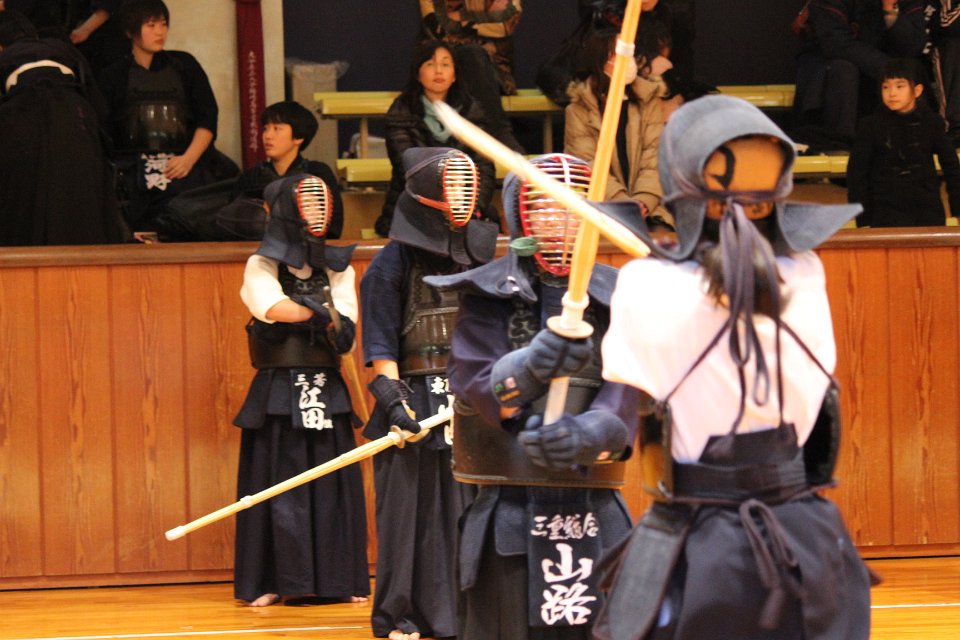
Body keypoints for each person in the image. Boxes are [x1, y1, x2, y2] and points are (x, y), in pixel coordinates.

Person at [594, 95, 873, 639]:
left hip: (700, 545)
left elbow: (632, 371)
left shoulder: (645, 285)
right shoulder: (807, 273)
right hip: (809, 538)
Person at [424, 153, 641, 640]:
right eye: (545, 206)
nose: (560, 219)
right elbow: (478, 385)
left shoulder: (618, 297)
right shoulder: (486, 296)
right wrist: (530, 368)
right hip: (511, 505)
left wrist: (595, 432)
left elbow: (627, 390)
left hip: (595, 505)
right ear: (520, 216)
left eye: (572, 207)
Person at [360, 146, 499, 640]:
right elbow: (380, 345)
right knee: (407, 518)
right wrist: (395, 403)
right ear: (425, 194)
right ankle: (400, 616)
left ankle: (465, 616)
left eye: (467, 186)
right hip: (413, 400)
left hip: (467, 400)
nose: (463, 196)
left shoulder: (480, 255)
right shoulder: (389, 263)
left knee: (466, 510)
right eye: (452, 185)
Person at [232, 173, 369, 608]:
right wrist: (320, 312)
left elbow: (346, 323)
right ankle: (271, 579)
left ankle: (339, 578)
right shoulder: (261, 264)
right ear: (285, 209)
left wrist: (324, 316)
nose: (316, 212)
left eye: (320, 204)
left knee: (332, 485)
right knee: (277, 485)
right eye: (307, 204)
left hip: (327, 388)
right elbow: (273, 308)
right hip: (277, 390)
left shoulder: (338, 266)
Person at [98, 0, 235, 233]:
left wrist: (188, 159)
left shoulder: (185, 66)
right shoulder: (113, 75)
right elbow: (104, 130)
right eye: (151, 25)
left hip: (184, 164)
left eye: (163, 24)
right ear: (130, 31)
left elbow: (207, 117)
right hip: (131, 169)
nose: (160, 32)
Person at [0, 9, 130, 245]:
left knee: (22, 203)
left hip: (19, 120)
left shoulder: (7, 57)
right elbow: (100, 109)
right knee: (81, 202)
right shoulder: (63, 50)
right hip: (76, 118)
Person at [375, 39, 499, 237]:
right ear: (418, 74)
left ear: (454, 75)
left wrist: (471, 208)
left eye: (445, 64)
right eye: (430, 64)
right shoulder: (401, 111)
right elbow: (407, 168)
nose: (439, 71)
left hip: (464, 211)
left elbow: (484, 167)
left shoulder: (472, 110)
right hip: (413, 213)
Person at [564, 28, 673, 230]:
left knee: (662, 235)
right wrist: (623, 203)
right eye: (619, 54)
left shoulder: (649, 101)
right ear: (600, 61)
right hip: (601, 211)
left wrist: (643, 200)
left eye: (630, 53)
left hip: (651, 210)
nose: (628, 60)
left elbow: (656, 157)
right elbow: (587, 164)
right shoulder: (578, 110)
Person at [794, 0, 927, 149]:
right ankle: (839, 146)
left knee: (909, 73)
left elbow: (914, 46)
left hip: (876, 67)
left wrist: (890, 11)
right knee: (844, 70)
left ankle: (908, 144)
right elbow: (836, 44)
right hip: (828, 68)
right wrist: (889, 68)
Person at [848, 57, 960, 227]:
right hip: (884, 212)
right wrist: (863, 220)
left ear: (917, 90)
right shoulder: (870, 126)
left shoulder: (932, 123)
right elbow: (857, 176)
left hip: (927, 210)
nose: (892, 93)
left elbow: (952, 168)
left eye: (899, 86)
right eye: (886, 87)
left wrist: (958, 210)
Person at [222, 100, 344, 239]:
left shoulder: (316, 173)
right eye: (265, 129)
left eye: (277, 129)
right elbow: (231, 225)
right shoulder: (252, 177)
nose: (268, 136)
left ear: (298, 137)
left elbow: (333, 228)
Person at [419, 0, 522, 96]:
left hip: (492, 71)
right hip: (440, 71)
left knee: (472, 55)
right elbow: (437, 26)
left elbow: (505, 24)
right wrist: (485, 18)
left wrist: (460, 17)